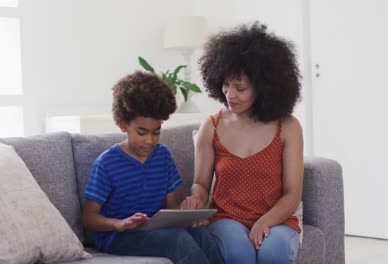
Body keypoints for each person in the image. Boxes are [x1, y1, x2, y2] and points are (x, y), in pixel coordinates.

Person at [181, 22, 304, 264]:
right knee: (240, 254)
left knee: (273, 253)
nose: (230, 94)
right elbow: (201, 184)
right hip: (227, 218)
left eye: (241, 88)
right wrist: (195, 198)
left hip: (276, 219)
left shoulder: (288, 127)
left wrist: (264, 222)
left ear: (264, 87)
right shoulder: (212, 125)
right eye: (226, 84)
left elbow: (292, 194)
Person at [83, 71, 224, 264]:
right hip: (118, 236)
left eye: (156, 132)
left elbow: (171, 205)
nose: (150, 140)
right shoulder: (106, 163)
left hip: (154, 229)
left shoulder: (163, 155)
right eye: (142, 132)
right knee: (177, 240)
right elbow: (89, 219)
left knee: (202, 235)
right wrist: (119, 224)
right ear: (123, 125)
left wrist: (187, 218)